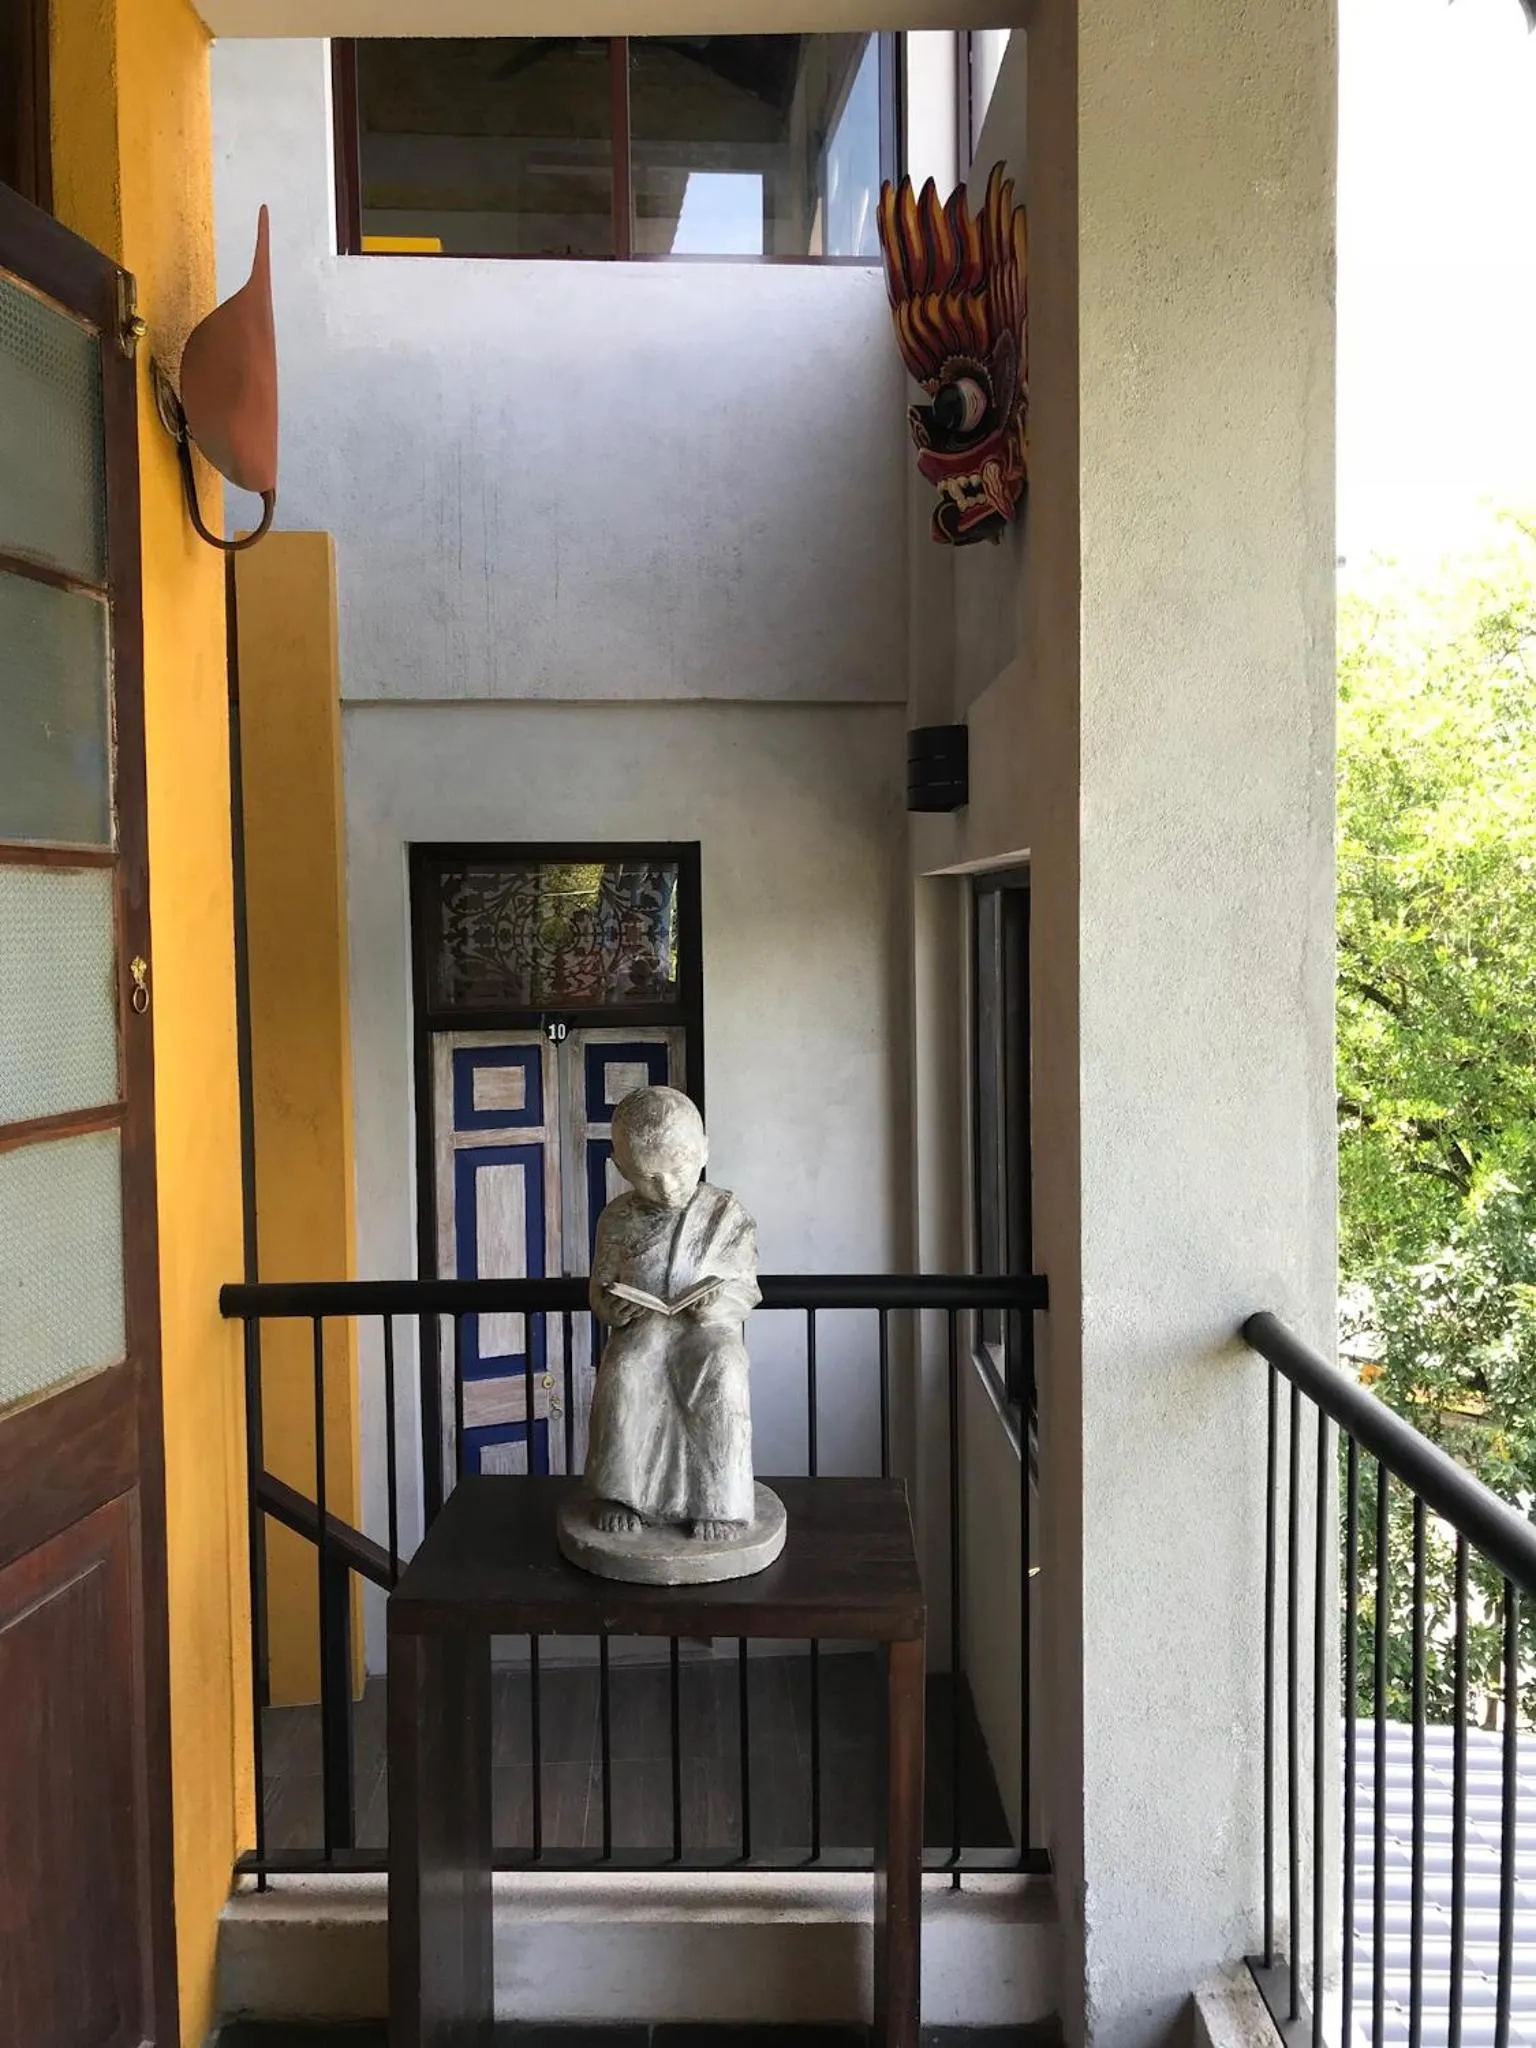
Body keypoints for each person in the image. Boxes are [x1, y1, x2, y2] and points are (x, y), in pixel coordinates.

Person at [585, 1086, 760, 1540]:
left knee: (722, 1369)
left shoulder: (725, 1213)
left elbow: (746, 1285)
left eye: (678, 1168)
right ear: (622, 1168)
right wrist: (614, 1305)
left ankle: (719, 1502)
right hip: (644, 1327)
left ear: (703, 1150)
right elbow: (600, 1289)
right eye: (648, 1176)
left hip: (707, 1330)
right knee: (625, 1369)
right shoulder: (616, 1219)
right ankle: (622, 1496)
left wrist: (715, 1303)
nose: (666, 1187)